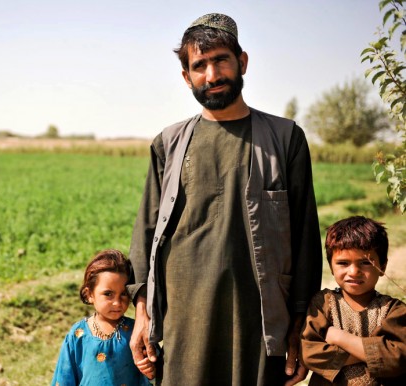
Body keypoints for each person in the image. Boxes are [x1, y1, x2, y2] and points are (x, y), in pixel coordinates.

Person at [127, 13, 323, 386]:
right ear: (187, 77)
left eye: (221, 60)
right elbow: (146, 232)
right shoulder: (168, 143)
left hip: (260, 324)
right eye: (199, 65)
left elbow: (304, 237)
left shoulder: (285, 139)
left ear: (242, 61)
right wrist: (141, 312)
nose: (212, 75)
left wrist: (300, 323)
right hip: (184, 323)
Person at [300, 216, 406, 385]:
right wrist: (375, 352)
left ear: (382, 267)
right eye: (343, 263)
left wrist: (341, 338)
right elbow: (309, 354)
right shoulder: (323, 304)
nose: (354, 271)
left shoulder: (394, 310)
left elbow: (398, 359)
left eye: (365, 262)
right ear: (331, 267)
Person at [51, 249, 154, 385]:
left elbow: (156, 369)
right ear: (89, 294)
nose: (117, 303)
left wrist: (151, 369)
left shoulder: (136, 332)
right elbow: (64, 377)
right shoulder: (78, 335)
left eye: (124, 294)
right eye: (108, 294)